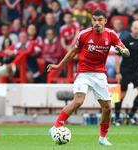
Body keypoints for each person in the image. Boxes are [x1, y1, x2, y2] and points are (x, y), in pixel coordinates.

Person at [47, 9, 130, 145]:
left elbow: (126, 52)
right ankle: (54, 128)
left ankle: (102, 138)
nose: (97, 23)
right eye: (94, 20)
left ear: (105, 21)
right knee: (78, 102)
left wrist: (123, 50)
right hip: (84, 73)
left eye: (99, 20)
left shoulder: (111, 35)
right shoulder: (84, 34)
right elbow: (73, 51)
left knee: (108, 107)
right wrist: (58, 66)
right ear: (92, 21)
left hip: (100, 75)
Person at [114, 20, 138, 126]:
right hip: (125, 70)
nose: (136, 30)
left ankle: (131, 115)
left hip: (136, 69)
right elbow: (117, 56)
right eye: (135, 28)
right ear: (131, 28)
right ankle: (117, 117)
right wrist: (118, 72)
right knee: (121, 94)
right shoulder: (125, 40)